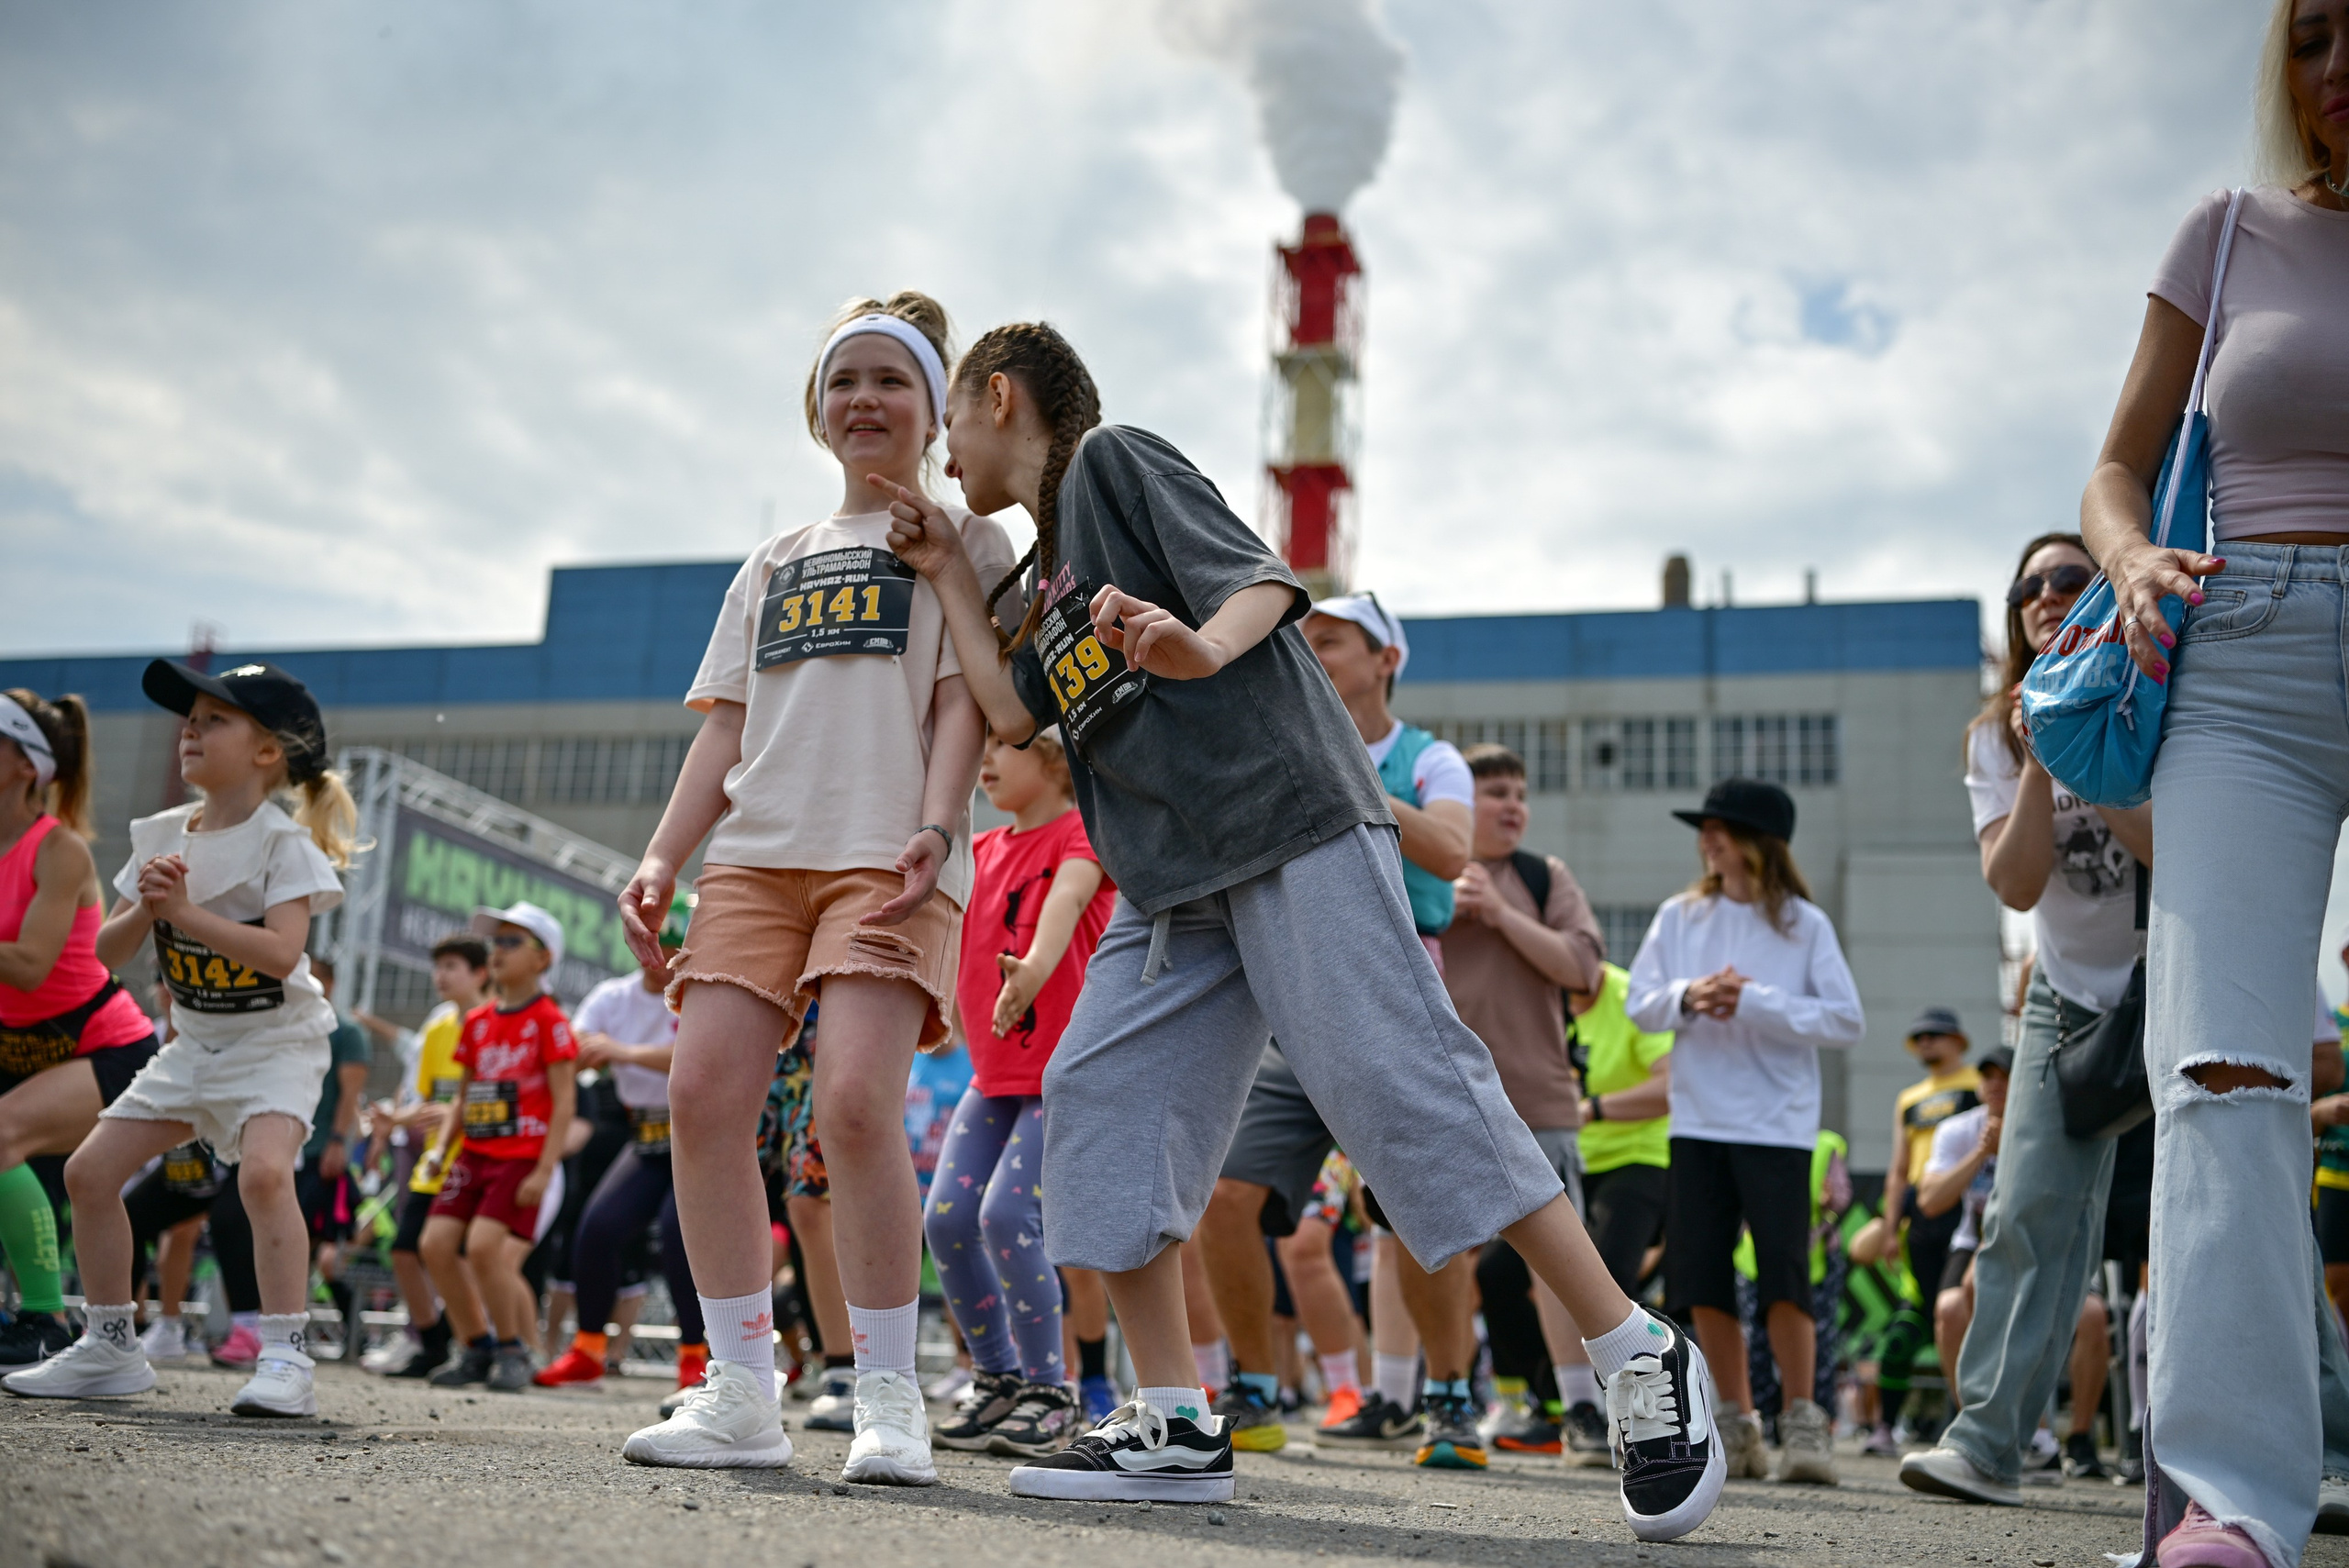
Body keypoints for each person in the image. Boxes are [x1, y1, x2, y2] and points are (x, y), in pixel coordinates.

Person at [879, 319, 1725, 1543]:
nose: (951, 455)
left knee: (1401, 1082)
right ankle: (1171, 1416)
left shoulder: (1114, 463)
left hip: (1285, 818)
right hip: (1171, 876)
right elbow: (1016, 710)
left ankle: (1634, 1346)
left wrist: (1194, 644)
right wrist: (955, 577)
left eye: (954, 420)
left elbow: (1263, 582)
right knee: (1102, 1088)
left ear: (997, 397)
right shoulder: (1040, 572)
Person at [615, 293, 1015, 1482]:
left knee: (850, 1106)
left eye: (893, 381)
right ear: (817, 411)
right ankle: (741, 1390)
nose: (865, 401)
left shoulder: (966, 543)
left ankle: (891, 1397)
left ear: (935, 412)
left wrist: (940, 828)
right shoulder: (774, 559)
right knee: (702, 1096)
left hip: (889, 853)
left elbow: (964, 700)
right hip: (756, 856)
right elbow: (725, 726)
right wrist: (659, 856)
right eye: (845, 382)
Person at [2073, 8, 2349, 1556]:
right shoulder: (2230, 234)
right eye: (2310, 35)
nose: (2336, 63)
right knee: (2229, 1066)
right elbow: (2116, 460)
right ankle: (2240, 1506)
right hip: (2237, 648)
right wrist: (2125, 556)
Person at [6, 660, 355, 1418]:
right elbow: (107, 950)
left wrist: (188, 912)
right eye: (189, 718)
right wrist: (151, 906)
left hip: (278, 1045)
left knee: (265, 1175)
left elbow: (284, 954)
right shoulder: (163, 833)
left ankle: (287, 1354)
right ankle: (109, 1345)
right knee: (91, 1173)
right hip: (192, 1047)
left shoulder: (281, 842)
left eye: (214, 719)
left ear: (268, 751)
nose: (191, 729)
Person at [1186, 590, 1477, 1458]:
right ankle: (1254, 1388)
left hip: (1395, 995)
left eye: (1332, 639)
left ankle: (1452, 1395)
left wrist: (1342, 767)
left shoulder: (1430, 759)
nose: (1311, 650)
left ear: (1387, 659)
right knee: (1227, 1197)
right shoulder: (1275, 741)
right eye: (1303, 639)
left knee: (1417, 1205)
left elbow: (1454, 853)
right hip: (1287, 995)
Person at [1900, 529, 2150, 1508]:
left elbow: (2169, 845)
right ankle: (1990, 1443)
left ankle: (2328, 1445)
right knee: (2027, 1210)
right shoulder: (1993, 733)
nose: (2045, 594)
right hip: (2068, 992)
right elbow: (2012, 881)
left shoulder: (2157, 689)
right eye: (2027, 586)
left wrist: (2086, 734)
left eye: (2069, 579)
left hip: (2180, 966)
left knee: (2240, 1202)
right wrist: (2044, 750)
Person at [1626, 776, 1864, 1486]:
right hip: (1697, 1119)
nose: (1707, 837)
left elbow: (1846, 1020)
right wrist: (1690, 996)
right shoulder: (1679, 916)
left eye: (1722, 826)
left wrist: (1753, 1000)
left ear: (1762, 841)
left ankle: (1804, 1418)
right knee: (1701, 1272)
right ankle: (1735, 1419)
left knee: (1786, 1274)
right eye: (1705, 826)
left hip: (1779, 1126)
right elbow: (1640, 1004)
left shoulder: (1802, 923)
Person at [926, 723, 1115, 1458]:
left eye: (1001, 748)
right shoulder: (976, 854)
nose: (983, 761)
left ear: (1053, 760)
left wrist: (1033, 968)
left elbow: (1067, 902)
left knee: (1008, 1215)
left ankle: (1049, 1389)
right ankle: (998, 1380)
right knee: (945, 1218)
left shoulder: (1081, 833)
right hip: (994, 1073)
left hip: (1062, 1073)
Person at [1438, 741, 1609, 1467]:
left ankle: (1585, 1410)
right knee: (1430, 1251)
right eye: (1494, 792)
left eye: (1519, 792)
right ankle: (1432, 1400)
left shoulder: (1545, 877)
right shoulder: (1422, 866)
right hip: (1437, 1096)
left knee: (1555, 1263)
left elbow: (1584, 971)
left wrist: (1503, 914)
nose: (1513, 805)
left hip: (1537, 1095)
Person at [0, 688, 160, 1367]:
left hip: (108, 1046)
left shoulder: (57, 849)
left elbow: (32, 967)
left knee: (2, 1133)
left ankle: (44, 1317)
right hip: (28, 1048)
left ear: (22, 763)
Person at [536, 896, 704, 1394]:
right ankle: (588, 1349)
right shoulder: (615, 996)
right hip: (648, 1133)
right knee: (598, 1228)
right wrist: (585, 1050)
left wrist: (618, 1051)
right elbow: (576, 1039)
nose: (659, 956)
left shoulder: (701, 992)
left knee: (680, 1236)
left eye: (670, 945)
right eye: (650, 945)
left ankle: (695, 1358)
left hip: (697, 1134)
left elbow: (692, 1055)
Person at [417, 901, 577, 1393]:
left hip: (520, 1159)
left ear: (542, 958)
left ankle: (513, 1349)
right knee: (434, 1245)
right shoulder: (479, 1021)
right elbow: (464, 1097)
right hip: (474, 1155)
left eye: (512, 941)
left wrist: (544, 1170)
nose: (498, 950)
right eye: (497, 941)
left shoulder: (550, 1020)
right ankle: (475, 1347)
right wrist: (441, 1148)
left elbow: (565, 1101)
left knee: (485, 1248)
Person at [366, 933, 492, 1379]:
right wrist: (394, 1120)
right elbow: (424, 1100)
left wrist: (456, 1113)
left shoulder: (494, 1023)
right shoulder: (437, 1028)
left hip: (478, 1158)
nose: (441, 976)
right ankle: (432, 1341)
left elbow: (491, 1098)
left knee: (461, 1256)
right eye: (438, 967)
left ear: (481, 973)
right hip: (436, 1161)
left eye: (452, 967)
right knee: (405, 1249)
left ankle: (478, 1344)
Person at [1869, 1008, 1981, 1455]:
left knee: (1965, 1318)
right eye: (1919, 1037)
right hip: (1921, 1216)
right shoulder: (1909, 1098)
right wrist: (1892, 1227)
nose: (1926, 1043)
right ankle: (1884, 1429)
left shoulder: (1978, 1084)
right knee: (1907, 1328)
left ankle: (1965, 1425)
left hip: (1967, 1210)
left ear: (1958, 1039)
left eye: (1935, 1035)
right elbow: (1898, 1170)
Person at [1574, 966, 1673, 1299]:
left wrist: (1593, 1109)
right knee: (1497, 1274)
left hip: (1638, 1156)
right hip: (1570, 1164)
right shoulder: (1537, 1002)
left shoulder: (1631, 998)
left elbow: (1671, 1085)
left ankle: (1634, 1351)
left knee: (1607, 1274)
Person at [299, 955, 371, 1361]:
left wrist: (339, 1142)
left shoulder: (347, 1032)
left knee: (323, 1254)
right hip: (290, 1151)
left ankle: (353, 1336)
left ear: (329, 980)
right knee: (298, 1251)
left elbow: (350, 1094)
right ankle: (286, 1328)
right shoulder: (290, 1027)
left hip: (324, 1153)